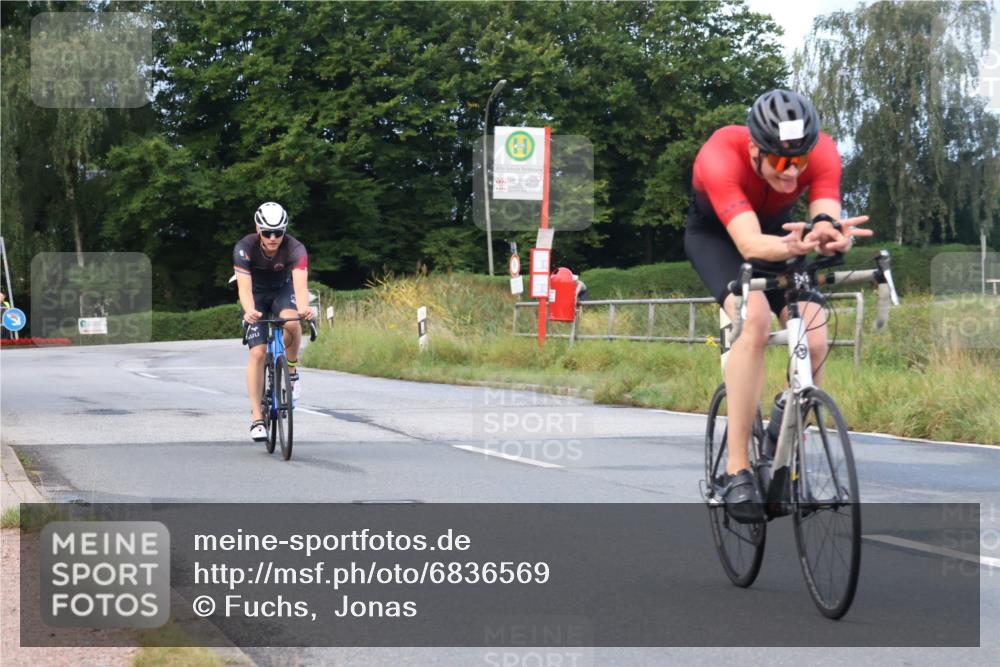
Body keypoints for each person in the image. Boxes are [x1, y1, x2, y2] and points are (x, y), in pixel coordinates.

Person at [684, 89, 872, 518]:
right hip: (721, 238)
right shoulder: (720, 155)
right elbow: (749, 243)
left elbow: (823, 214)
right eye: (782, 163)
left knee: (816, 331)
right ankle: (737, 471)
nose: (793, 175)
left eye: (800, 162)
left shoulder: (822, 151)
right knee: (753, 322)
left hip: (786, 235)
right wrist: (798, 242)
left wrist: (828, 234)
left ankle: (783, 426)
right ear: (755, 148)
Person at [233, 202, 314, 442]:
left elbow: (300, 286)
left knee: (292, 321)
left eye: (278, 232)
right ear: (258, 229)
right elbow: (244, 289)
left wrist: (304, 308)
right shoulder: (244, 248)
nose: (272, 238)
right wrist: (249, 311)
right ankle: (257, 418)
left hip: (281, 290)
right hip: (255, 295)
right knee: (257, 353)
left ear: (284, 231)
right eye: (267, 232)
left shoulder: (295, 248)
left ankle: (291, 371)